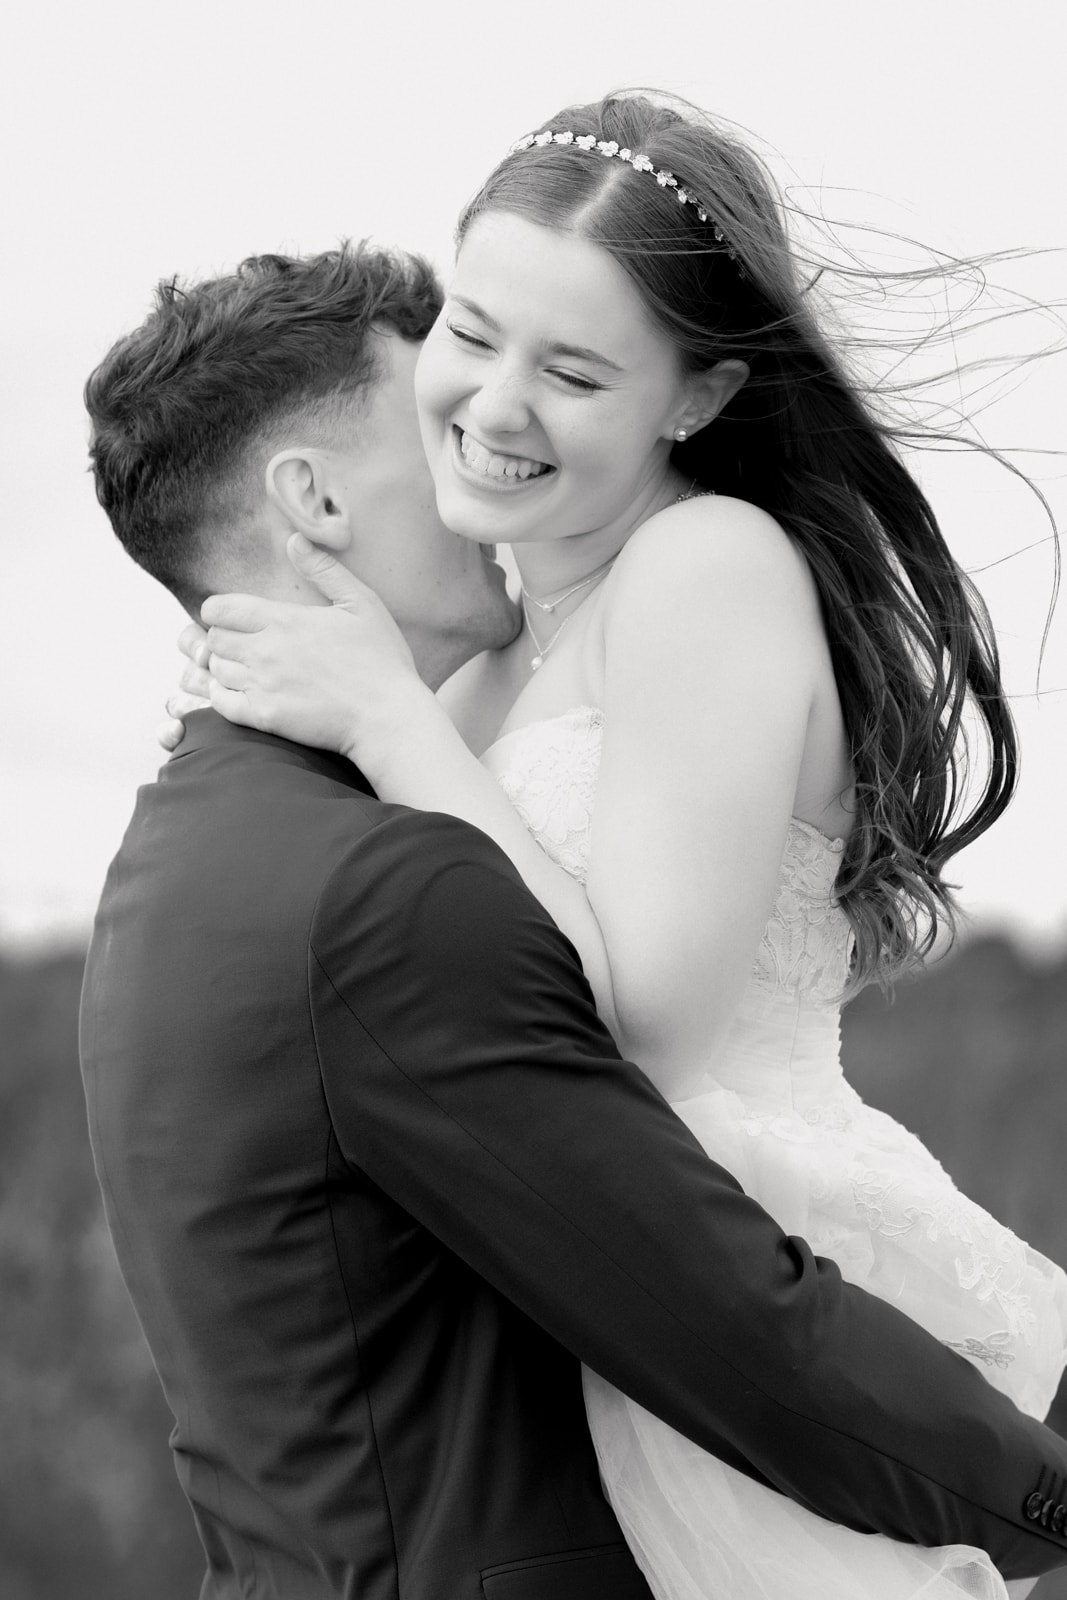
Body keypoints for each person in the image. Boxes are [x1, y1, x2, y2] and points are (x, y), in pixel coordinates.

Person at [173, 97, 1067, 1599]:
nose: (494, 405)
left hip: (743, 1323)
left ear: (698, 401)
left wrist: (400, 730)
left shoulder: (706, 566)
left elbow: (643, 1018)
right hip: (580, 1340)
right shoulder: (484, 657)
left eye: (574, 372)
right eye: (472, 331)